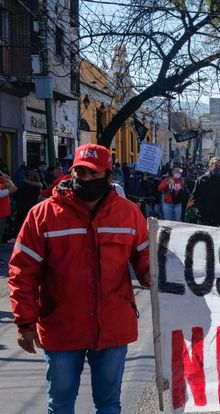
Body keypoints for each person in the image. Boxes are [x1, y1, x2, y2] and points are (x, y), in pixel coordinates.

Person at [8, 143, 149, 413]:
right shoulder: (43, 215)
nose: (85, 180)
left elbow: (145, 257)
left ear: (109, 177)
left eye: (93, 175)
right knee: (60, 404)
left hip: (113, 327)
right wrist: (25, 322)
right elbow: (22, 272)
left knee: (109, 404)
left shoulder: (129, 213)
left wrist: (147, 274)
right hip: (61, 327)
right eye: (80, 173)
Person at [192, 157, 220, 227]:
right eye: (216, 165)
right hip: (203, 218)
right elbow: (195, 197)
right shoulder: (202, 180)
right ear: (211, 165)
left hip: (217, 218)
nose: (218, 168)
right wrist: (200, 210)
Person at [0, 170, 17, 246]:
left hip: (4, 210)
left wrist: (9, 180)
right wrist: (9, 190)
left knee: (1, 232)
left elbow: (14, 188)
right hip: (2, 210)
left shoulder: (4, 180)